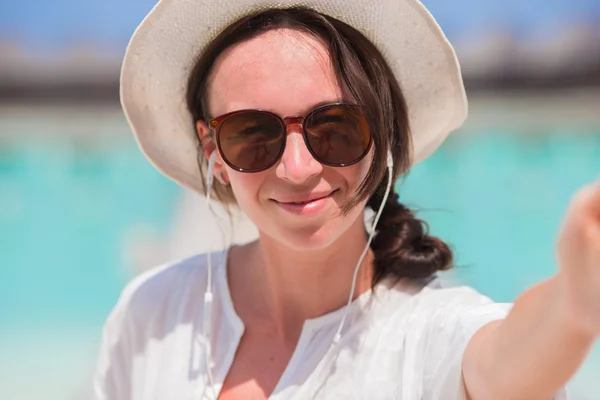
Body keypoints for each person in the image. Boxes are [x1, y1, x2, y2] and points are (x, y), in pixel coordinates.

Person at [94, 1, 600, 399]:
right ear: (214, 153)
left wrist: (575, 303)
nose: (298, 168)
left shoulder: (426, 335)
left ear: (380, 132)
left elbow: (504, 361)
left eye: (334, 127)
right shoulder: (152, 316)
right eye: (253, 134)